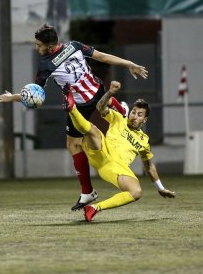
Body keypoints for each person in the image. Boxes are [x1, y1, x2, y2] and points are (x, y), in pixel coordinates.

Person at [0, 24, 148, 211]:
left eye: (38, 45)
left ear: (49, 47)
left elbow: (35, 95)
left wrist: (14, 98)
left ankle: (87, 191)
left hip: (79, 106)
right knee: (101, 116)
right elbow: (102, 56)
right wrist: (129, 63)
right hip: (98, 93)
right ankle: (116, 105)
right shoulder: (74, 46)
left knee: (73, 144)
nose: (36, 48)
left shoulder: (46, 66)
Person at [62, 80, 176, 222]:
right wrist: (110, 92)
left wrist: (160, 187)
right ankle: (72, 108)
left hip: (117, 168)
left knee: (136, 192)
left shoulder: (144, 141)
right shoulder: (119, 119)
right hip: (103, 151)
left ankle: (94, 208)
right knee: (92, 130)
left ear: (145, 120)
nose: (134, 116)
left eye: (139, 115)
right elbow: (100, 106)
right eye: (133, 112)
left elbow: (149, 166)